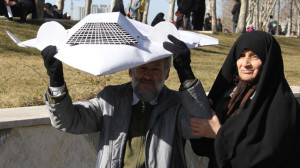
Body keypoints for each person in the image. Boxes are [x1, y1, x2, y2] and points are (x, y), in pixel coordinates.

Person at [41, 34, 211, 168]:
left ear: (166, 74)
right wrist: (56, 81)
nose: (147, 75)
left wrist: (186, 74)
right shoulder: (111, 99)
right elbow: (68, 121)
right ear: (131, 71)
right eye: (142, 68)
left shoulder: (176, 105)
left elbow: (200, 126)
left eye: (155, 69)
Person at [189, 31, 300, 168]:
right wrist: (184, 69)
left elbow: (264, 157)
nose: (245, 63)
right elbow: (204, 145)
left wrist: (219, 133)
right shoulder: (230, 97)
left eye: (254, 56)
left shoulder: (283, 106)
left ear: (267, 62)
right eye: (241, 56)